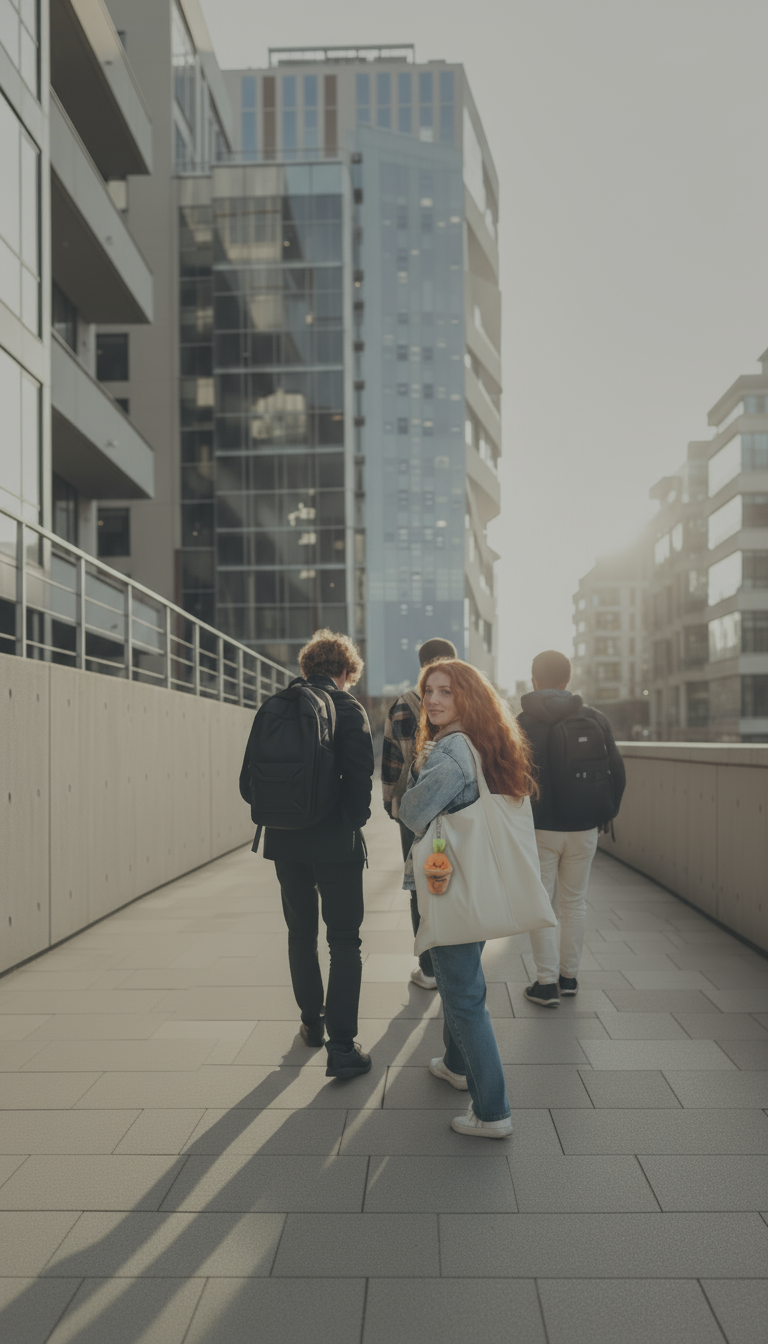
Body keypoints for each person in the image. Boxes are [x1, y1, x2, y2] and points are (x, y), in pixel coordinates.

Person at [399, 658, 538, 1138]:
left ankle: (493, 1111)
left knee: (463, 996)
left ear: (466, 698)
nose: (434, 700)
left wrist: (413, 781)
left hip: (452, 886)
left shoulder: (450, 750)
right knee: (465, 982)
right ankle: (457, 1067)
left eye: (446, 692)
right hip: (476, 885)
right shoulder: (485, 740)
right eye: (429, 691)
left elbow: (412, 812)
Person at [262, 630, 374, 1078]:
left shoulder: (277, 706)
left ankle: (312, 1023)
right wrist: (351, 823)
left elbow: (248, 782)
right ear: (346, 672)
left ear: (307, 668)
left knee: (299, 933)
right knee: (344, 940)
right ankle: (342, 1048)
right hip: (335, 842)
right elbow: (360, 782)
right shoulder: (349, 708)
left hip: (284, 839)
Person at [517, 649, 626, 1007]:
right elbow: (617, 772)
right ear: (567, 681)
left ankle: (545, 984)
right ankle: (569, 978)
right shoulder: (594, 717)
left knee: (542, 903)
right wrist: (604, 814)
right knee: (574, 903)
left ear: (534, 681)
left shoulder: (522, 722)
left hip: (540, 828)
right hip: (584, 828)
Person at [381, 637, 457, 990]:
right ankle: (456, 959)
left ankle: (428, 968)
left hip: (413, 812)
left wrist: (392, 806)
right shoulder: (466, 701)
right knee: (453, 882)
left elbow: (391, 764)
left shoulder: (403, 705)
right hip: (456, 810)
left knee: (420, 886)